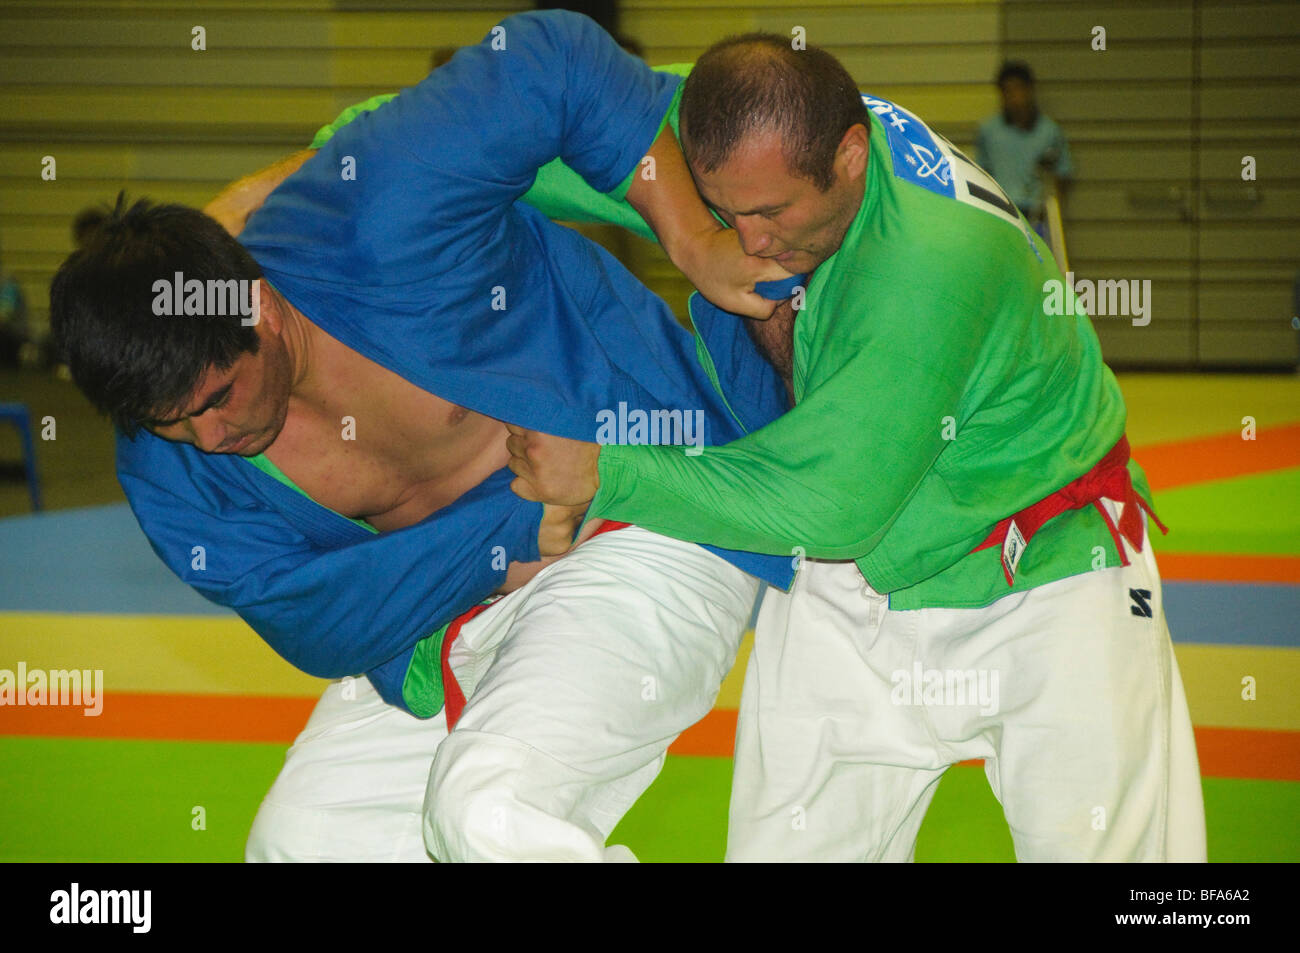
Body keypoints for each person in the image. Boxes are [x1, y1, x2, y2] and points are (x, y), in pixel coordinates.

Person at [50, 10, 793, 863]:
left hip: (648, 508)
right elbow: (324, 623)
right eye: (169, 421)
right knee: (301, 842)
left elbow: (556, 61)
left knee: (488, 808)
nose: (207, 435)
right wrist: (515, 530)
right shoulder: (168, 474)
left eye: (216, 396)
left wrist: (694, 243)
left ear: (255, 307)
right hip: (455, 623)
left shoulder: (374, 214)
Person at [508, 34, 1207, 862]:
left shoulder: (926, 262)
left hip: (1046, 569)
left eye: (772, 214)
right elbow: (535, 128)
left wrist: (604, 471)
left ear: (850, 156)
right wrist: (359, 165)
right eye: (724, 211)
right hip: (856, 581)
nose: (750, 240)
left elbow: (830, 505)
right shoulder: (747, 127)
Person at [975, 61, 1074, 230]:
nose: (1014, 97)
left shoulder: (1049, 131)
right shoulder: (989, 131)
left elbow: (1062, 174)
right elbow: (982, 172)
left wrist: (1052, 211)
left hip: (1037, 213)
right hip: (1001, 210)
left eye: (1018, 89)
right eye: (1007, 91)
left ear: (1029, 90)